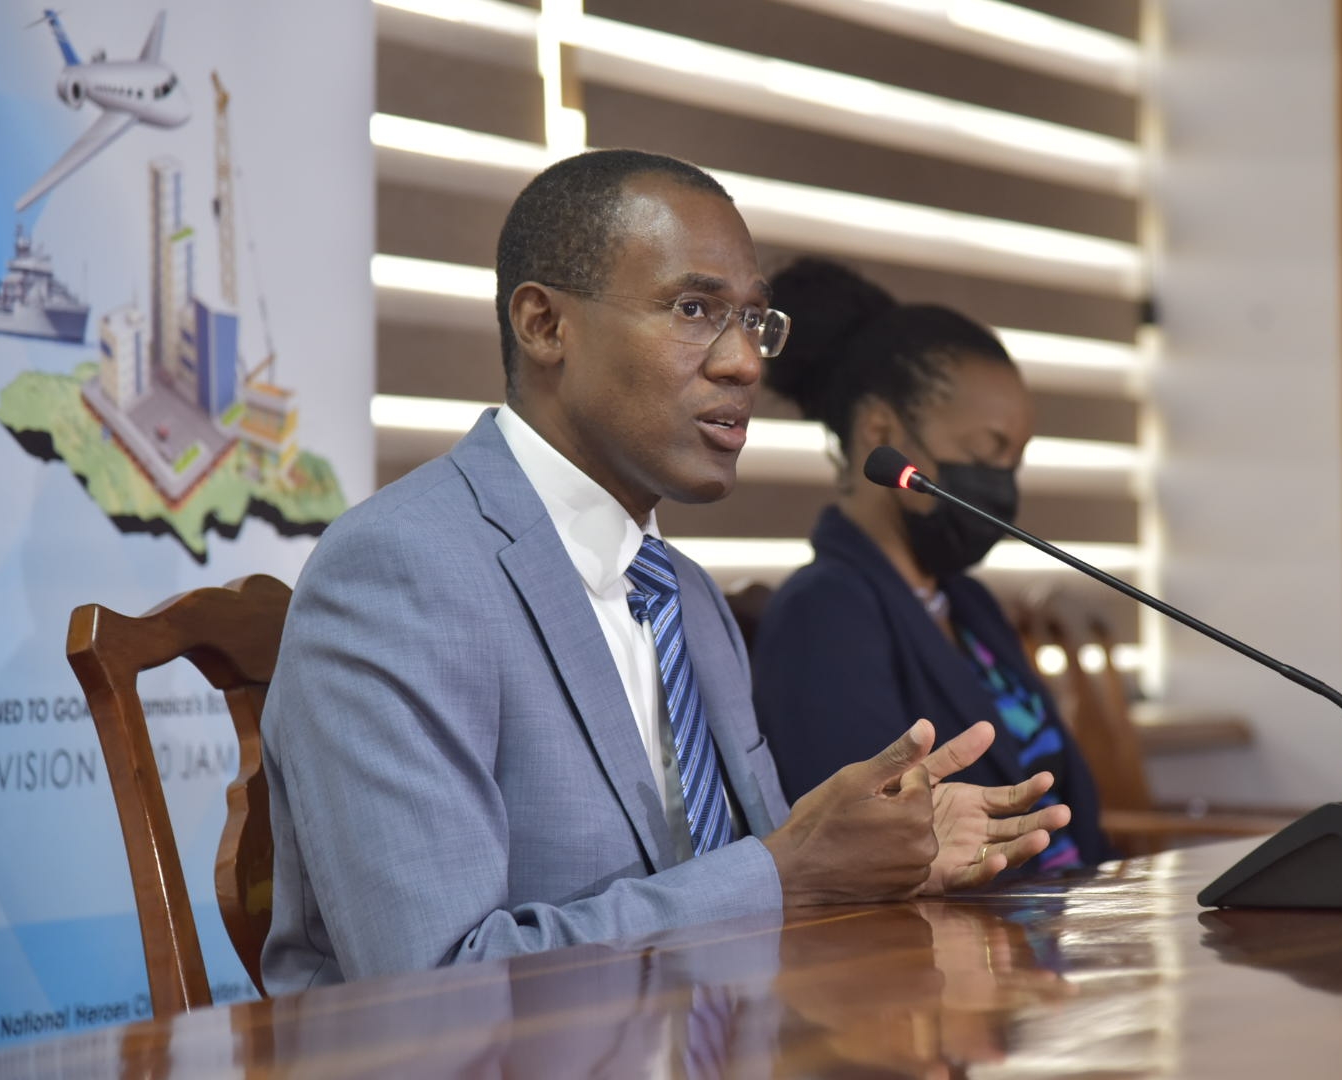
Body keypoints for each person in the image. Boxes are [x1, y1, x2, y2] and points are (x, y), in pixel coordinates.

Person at [259, 150, 1073, 994]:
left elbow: (740, 893)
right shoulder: (400, 572)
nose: (746, 364)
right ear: (544, 325)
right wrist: (791, 871)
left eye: (755, 320)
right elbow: (435, 983)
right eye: (694, 309)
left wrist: (876, 860)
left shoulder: (685, 594)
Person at [753, 258, 1114, 871]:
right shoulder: (824, 615)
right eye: (986, 451)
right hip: (972, 952)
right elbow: (867, 857)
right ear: (881, 433)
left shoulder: (969, 606)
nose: (1001, 485)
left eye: (1014, 461)